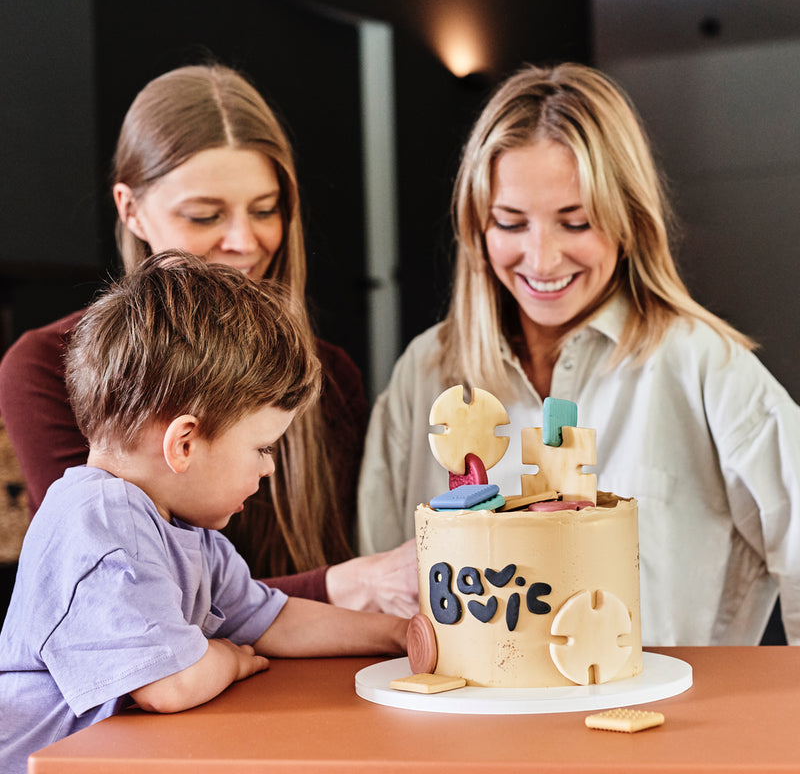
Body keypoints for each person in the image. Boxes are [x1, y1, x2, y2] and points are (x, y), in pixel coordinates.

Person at [357, 62, 800, 646]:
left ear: (629, 221)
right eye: (511, 223)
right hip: (473, 731)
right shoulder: (426, 371)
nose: (541, 260)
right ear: (477, 228)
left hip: (665, 726)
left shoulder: (703, 365)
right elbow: (384, 596)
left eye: (577, 222)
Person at [0, 63, 416, 617]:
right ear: (131, 209)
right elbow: (131, 608)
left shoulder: (329, 374)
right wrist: (344, 587)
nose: (244, 242)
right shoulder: (47, 364)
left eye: (265, 210)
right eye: (204, 215)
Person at [0, 252, 408, 774]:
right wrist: (229, 659)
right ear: (185, 443)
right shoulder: (102, 525)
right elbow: (169, 686)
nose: (270, 470)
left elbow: (272, 619)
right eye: (262, 448)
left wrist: (393, 632)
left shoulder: (180, 528)